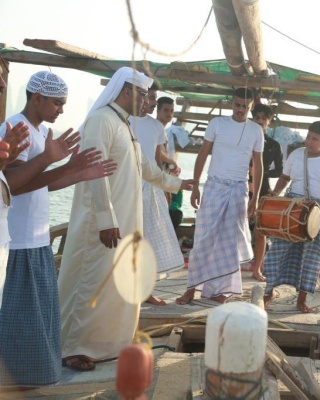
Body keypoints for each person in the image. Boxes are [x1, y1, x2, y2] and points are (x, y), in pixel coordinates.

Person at [58, 67, 192, 371]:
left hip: (125, 222)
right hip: (102, 225)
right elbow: (94, 173)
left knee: (113, 286)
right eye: (143, 94)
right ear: (127, 91)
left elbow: (144, 167)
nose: (147, 102)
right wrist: (106, 219)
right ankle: (73, 347)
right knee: (90, 282)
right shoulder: (100, 121)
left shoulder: (124, 124)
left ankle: (105, 345)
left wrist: (177, 184)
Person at [0, 71, 116, 386]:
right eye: (57, 103)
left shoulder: (38, 132)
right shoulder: (17, 129)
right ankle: (14, 381)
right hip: (19, 242)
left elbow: (39, 186)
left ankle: (33, 377)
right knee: (21, 320)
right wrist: (56, 163)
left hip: (36, 240)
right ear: (36, 98)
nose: (61, 110)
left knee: (38, 318)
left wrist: (77, 172)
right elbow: (10, 184)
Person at [175, 87, 263, 305]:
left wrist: (255, 197)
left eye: (245, 106)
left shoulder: (256, 130)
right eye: (237, 105)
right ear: (231, 103)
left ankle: (224, 290)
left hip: (239, 189)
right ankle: (191, 288)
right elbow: (203, 153)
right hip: (213, 186)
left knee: (230, 243)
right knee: (203, 239)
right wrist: (195, 186)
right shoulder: (217, 123)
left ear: (251, 106)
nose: (240, 110)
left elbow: (258, 165)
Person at [262, 121, 320, 313]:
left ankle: (301, 300)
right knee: (277, 249)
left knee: (310, 256)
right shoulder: (296, 154)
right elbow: (285, 179)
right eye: (308, 137)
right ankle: (269, 292)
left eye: (315, 139)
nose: (309, 142)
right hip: (292, 207)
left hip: (318, 210)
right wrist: (275, 194)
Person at [130, 84, 184, 306]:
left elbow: (157, 159)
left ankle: (146, 291)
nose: (152, 102)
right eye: (150, 97)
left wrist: (165, 188)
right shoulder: (126, 121)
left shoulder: (156, 126)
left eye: (153, 98)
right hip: (130, 186)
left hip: (152, 188)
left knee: (150, 242)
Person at [249, 103, 283, 282]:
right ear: (252, 118)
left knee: (261, 230)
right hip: (241, 186)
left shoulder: (274, 145)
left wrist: (263, 173)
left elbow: (280, 170)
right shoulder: (244, 137)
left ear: (269, 122)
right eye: (257, 117)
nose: (260, 121)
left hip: (262, 188)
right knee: (234, 227)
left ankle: (257, 269)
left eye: (264, 118)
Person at [157, 96, 189, 228]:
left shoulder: (164, 131)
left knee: (168, 209)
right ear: (157, 111)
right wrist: (172, 162)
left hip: (162, 175)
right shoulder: (155, 128)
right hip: (153, 177)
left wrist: (171, 166)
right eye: (165, 110)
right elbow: (156, 151)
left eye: (171, 111)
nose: (169, 114)